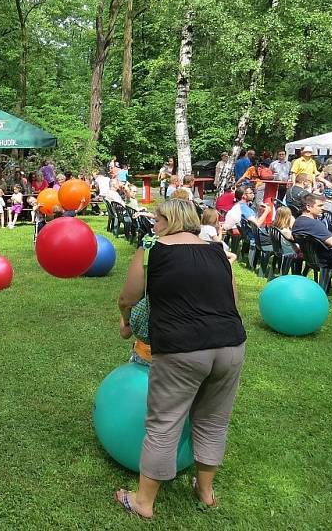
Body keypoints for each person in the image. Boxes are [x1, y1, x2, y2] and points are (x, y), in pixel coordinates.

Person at [115, 199, 246, 520]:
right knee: (214, 421)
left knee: (164, 423)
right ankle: (205, 492)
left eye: (157, 219)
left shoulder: (152, 250)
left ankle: (143, 502)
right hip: (230, 344)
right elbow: (233, 299)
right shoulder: (217, 250)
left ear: (168, 219)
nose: (153, 225)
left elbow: (128, 297)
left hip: (182, 349)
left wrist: (126, 320)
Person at [291, 193, 332, 270]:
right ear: (308, 207)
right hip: (327, 261)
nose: (323, 208)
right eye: (320, 206)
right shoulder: (314, 224)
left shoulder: (298, 222)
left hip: (311, 259)